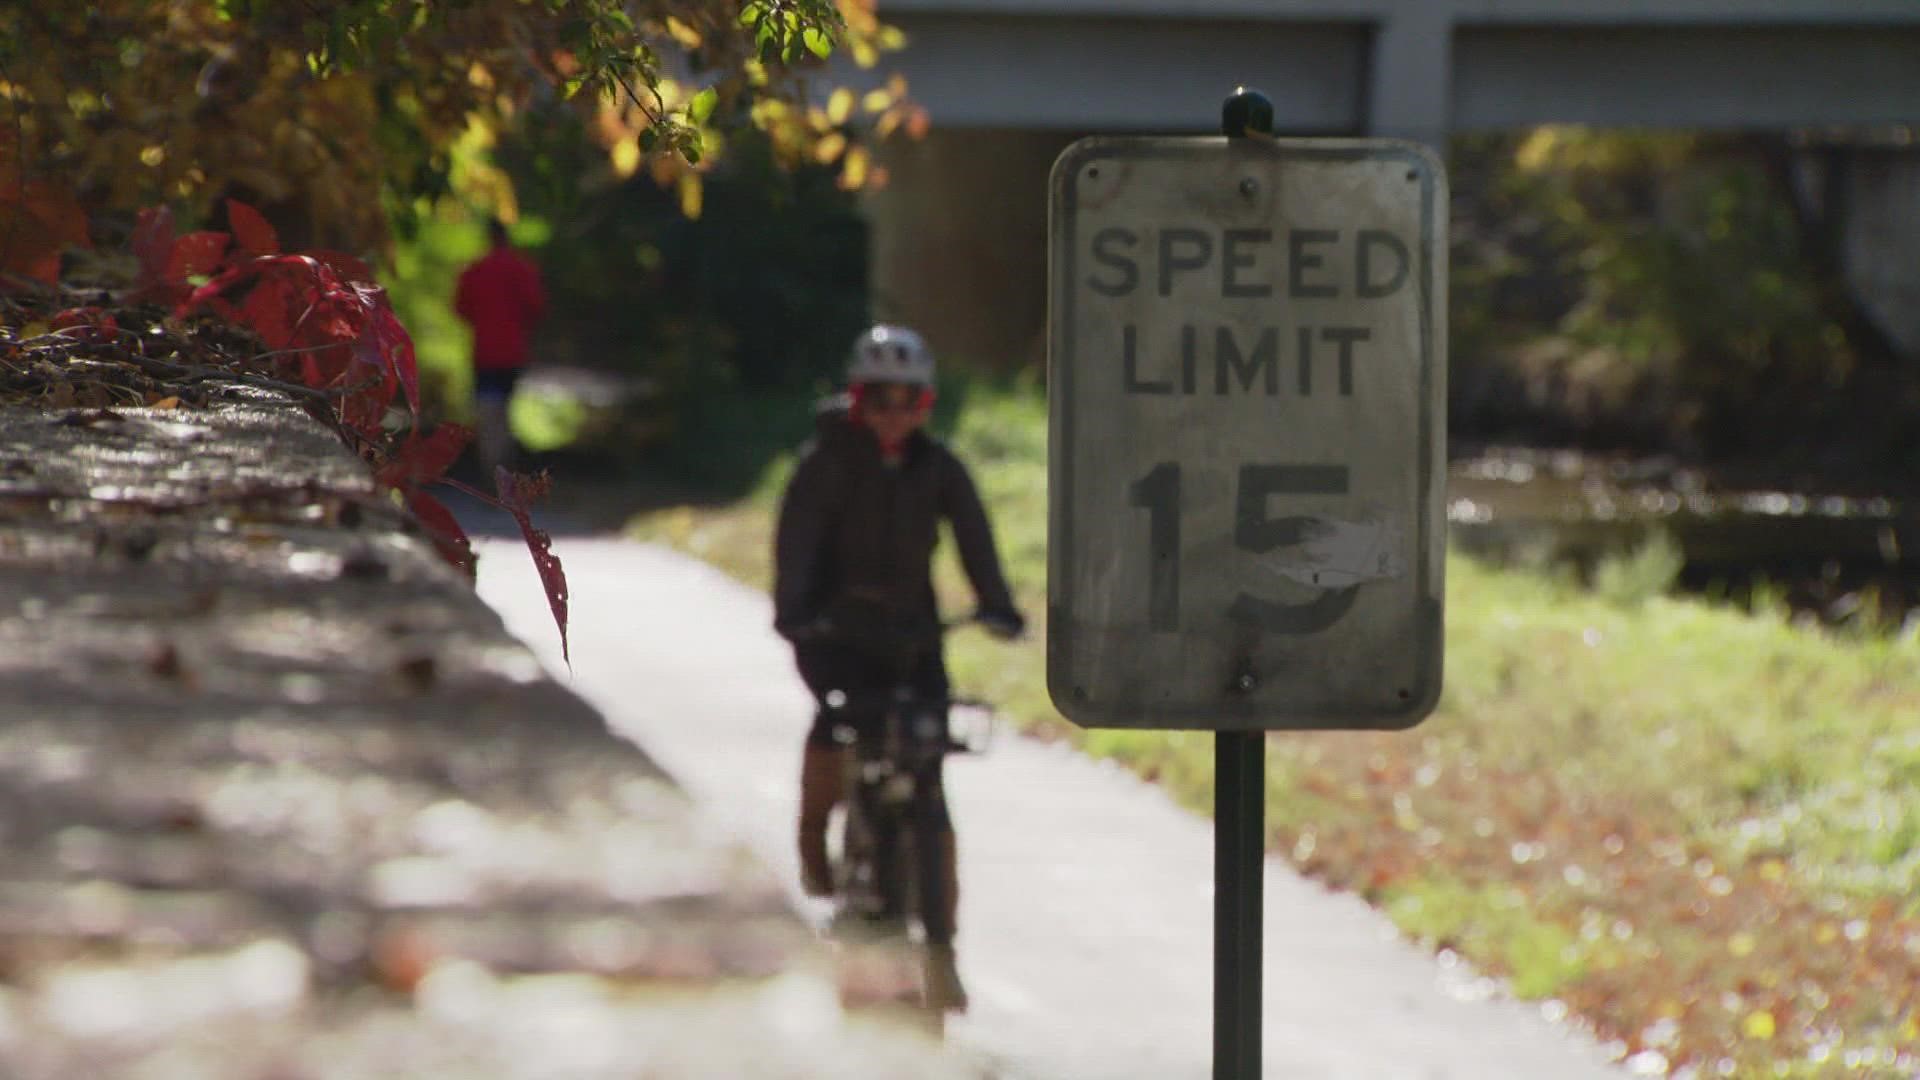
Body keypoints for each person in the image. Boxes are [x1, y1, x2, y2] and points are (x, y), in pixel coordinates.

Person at [772, 323, 1025, 1010]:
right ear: (856, 400)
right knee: (832, 725)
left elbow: (975, 541)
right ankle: (811, 840)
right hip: (835, 638)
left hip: (915, 644)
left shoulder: (940, 468)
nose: (892, 414)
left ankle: (940, 947)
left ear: (926, 404)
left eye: (907, 401)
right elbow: (795, 549)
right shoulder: (823, 466)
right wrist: (796, 612)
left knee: (930, 784)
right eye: (878, 399)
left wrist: (999, 606)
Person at [453, 219, 546, 478]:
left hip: (484, 351)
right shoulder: (522, 268)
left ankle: (493, 465)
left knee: (488, 408)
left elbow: (461, 308)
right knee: (504, 407)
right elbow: (536, 307)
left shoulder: (475, 270)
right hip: (512, 351)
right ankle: (504, 464)